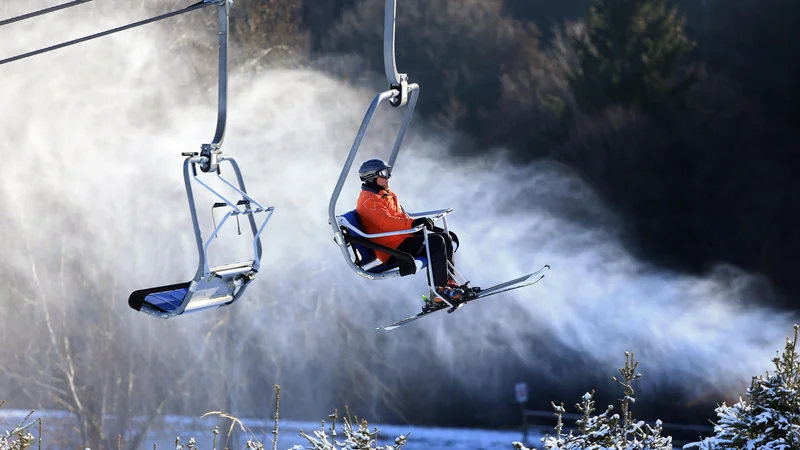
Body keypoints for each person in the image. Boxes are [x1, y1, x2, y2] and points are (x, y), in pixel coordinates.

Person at [354, 158, 476, 309]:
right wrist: (413, 223)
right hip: (391, 248)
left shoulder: (386, 194)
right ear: (371, 177)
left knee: (445, 237)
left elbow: (400, 216)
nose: (389, 177)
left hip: (402, 239)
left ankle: (450, 284)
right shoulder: (368, 201)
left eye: (389, 172)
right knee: (436, 242)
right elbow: (386, 222)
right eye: (384, 173)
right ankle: (439, 292)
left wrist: (422, 224)